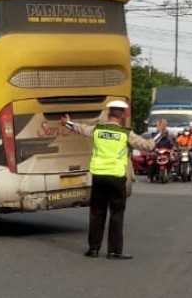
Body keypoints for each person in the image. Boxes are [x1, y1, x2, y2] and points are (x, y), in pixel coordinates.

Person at [62, 100, 154, 259]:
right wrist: (159, 132)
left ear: (109, 113)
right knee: (116, 214)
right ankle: (114, 251)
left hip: (98, 176)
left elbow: (80, 129)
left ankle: (93, 249)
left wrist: (67, 122)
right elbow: (147, 146)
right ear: (123, 115)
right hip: (116, 177)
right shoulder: (126, 134)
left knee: (97, 213)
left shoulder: (97, 130)